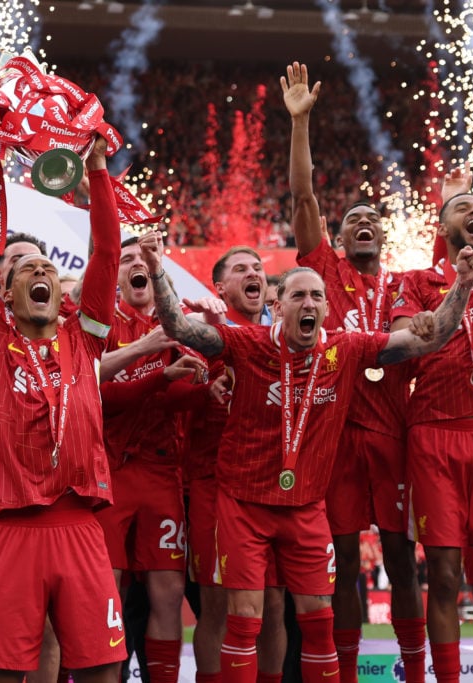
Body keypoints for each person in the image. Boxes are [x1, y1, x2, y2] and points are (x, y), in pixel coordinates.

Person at [143, 228, 473, 683]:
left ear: (326, 308)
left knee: (318, 622)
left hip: (306, 507)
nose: (308, 304)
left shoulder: (346, 349)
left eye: (317, 297)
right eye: (297, 295)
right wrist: (156, 268)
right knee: (245, 619)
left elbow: (429, 340)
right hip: (243, 503)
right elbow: (180, 328)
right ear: (278, 305)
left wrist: (460, 286)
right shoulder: (249, 344)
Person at [0, 124, 124, 682]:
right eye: (25, 269)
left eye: (48, 269)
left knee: (103, 670)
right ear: (5, 293)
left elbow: (106, 250)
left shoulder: (87, 337)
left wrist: (99, 171)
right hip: (9, 527)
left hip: (80, 525)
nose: (39, 271)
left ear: (62, 294)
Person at [282, 60, 425, 683]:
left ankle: (416, 672)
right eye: (350, 221)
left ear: (383, 235)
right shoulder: (323, 274)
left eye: (371, 219)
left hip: (392, 435)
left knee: (400, 556)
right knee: (340, 555)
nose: (361, 222)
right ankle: (338, 674)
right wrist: (301, 125)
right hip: (333, 439)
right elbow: (303, 196)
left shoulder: (408, 284)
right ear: (337, 240)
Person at [389, 188, 473, 682]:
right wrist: (462, 288)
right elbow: (408, 340)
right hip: (434, 436)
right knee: (446, 576)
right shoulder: (415, 281)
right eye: (462, 207)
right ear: (441, 228)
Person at [95, 235, 208, 683]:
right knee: (109, 592)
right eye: (126, 259)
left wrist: (205, 387)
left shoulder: (179, 324)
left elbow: (189, 393)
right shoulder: (98, 324)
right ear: (115, 273)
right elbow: (96, 398)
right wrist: (160, 377)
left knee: (169, 591)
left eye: (145, 258)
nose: (136, 265)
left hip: (162, 473)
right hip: (110, 472)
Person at [183, 246, 286, 683]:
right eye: (241, 269)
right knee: (218, 602)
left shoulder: (285, 336)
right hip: (215, 485)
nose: (254, 273)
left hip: (272, 486)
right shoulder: (206, 334)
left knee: (275, 604)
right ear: (220, 287)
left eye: (258, 268)